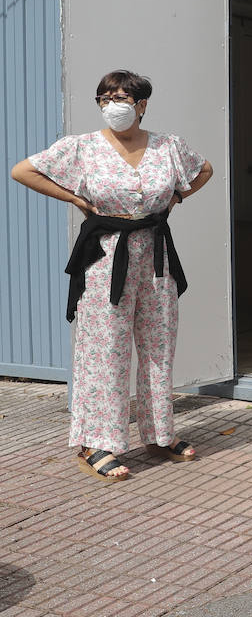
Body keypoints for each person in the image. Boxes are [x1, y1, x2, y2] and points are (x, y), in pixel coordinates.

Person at [11, 70, 213, 482]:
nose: (112, 104)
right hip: (105, 259)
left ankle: (159, 434)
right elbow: (23, 171)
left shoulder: (168, 145)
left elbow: (203, 170)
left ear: (141, 104)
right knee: (105, 349)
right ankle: (95, 442)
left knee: (158, 345)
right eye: (104, 98)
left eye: (121, 97)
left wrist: (176, 196)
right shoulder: (81, 147)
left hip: (156, 258)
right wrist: (73, 197)